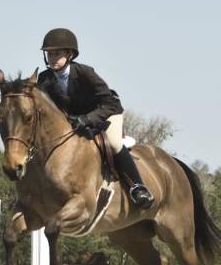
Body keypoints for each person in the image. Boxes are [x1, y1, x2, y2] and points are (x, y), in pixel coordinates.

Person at [37, 28, 155, 208]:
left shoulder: (85, 72)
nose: (52, 58)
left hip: (105, 112)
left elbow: (108, 102)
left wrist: (87, 119)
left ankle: (138, 187)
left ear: (69, 54)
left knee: (113, 142)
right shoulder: (44, 79)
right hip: (75, 120)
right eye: (49, 54)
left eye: (57, 54)